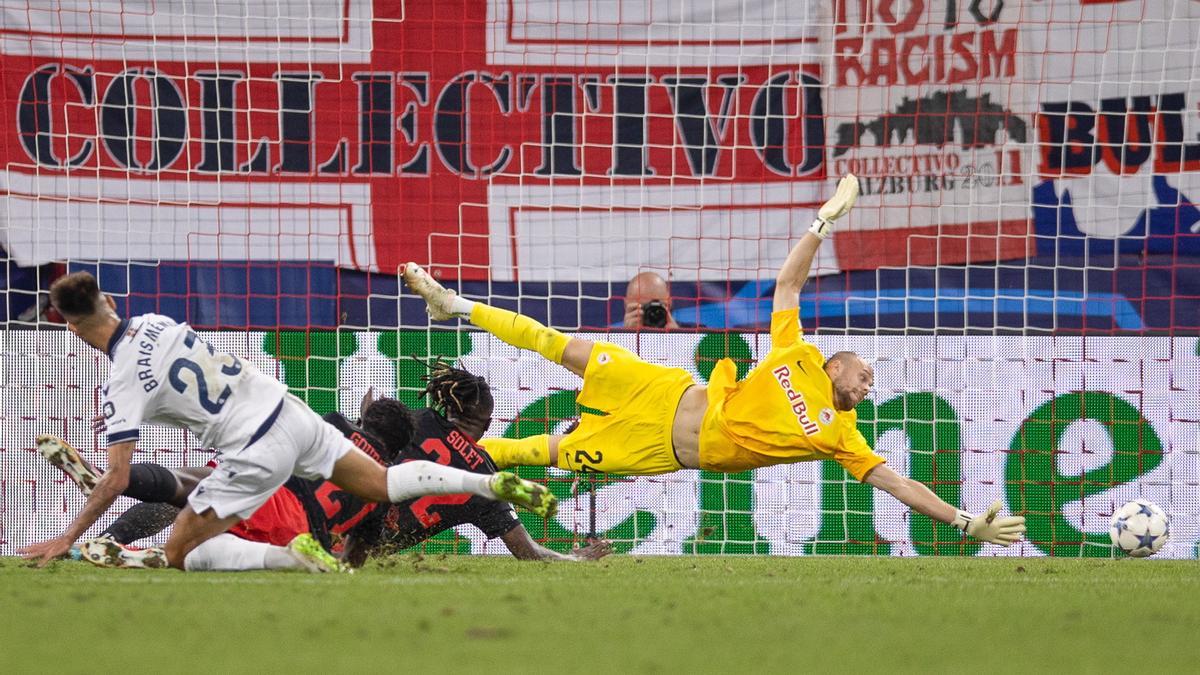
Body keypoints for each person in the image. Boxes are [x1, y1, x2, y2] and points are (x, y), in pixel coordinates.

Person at [401, 174, 1027, 548]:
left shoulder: (842, 437)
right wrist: (821, 225)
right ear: (835, 365)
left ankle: (404, 464)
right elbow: (787, 289)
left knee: (526, 452)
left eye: (871, 385)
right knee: (555, 342)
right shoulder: (800, 354)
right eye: (864, 372)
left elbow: (897, 484)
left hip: (652, 450)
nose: (868, 385)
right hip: (662, 391)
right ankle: (452, 304)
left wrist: (964, 520)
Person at [18, 272, 557, 571]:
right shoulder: (157, 320)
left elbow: (115, 476)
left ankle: (268, 559)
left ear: (69, 326)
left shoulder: (122, 382)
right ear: (111, 300)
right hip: (290, 416)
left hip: (255, 451)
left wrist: (66, 535)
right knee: (384, 485)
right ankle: (483, 482)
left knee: (181, 541)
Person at [42, 366, 608, 569]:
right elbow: (527, 552)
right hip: (347, 530)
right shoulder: (482, 473)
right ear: (481, 423)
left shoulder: (410, 422)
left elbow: (376, 435)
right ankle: (138, 555)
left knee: (202, 491)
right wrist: (573, 558)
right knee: (214, 542)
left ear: (439, 407)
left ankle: (112, 527)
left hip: (303, 484)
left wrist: (354, 418)